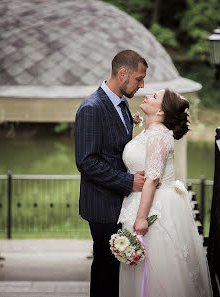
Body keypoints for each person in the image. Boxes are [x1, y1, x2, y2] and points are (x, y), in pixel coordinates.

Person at [117, 89, 213, 297]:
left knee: (159, 269)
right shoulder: (149, 131)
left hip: (155, 210)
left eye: (154, 97)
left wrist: (141, 219)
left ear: (161, 111)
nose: (148, 96)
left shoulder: (159, 135)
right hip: (138, 202)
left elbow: (152, 179)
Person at [74, 49, 148, 297]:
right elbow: (86, 161)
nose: (142, 84)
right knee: (105, 270)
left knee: (117, 272)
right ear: (122, 73)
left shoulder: (123, 104)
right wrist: (128, 181)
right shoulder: (91, 108)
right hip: (102, 205)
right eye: (138, 79)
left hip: (121, 203)